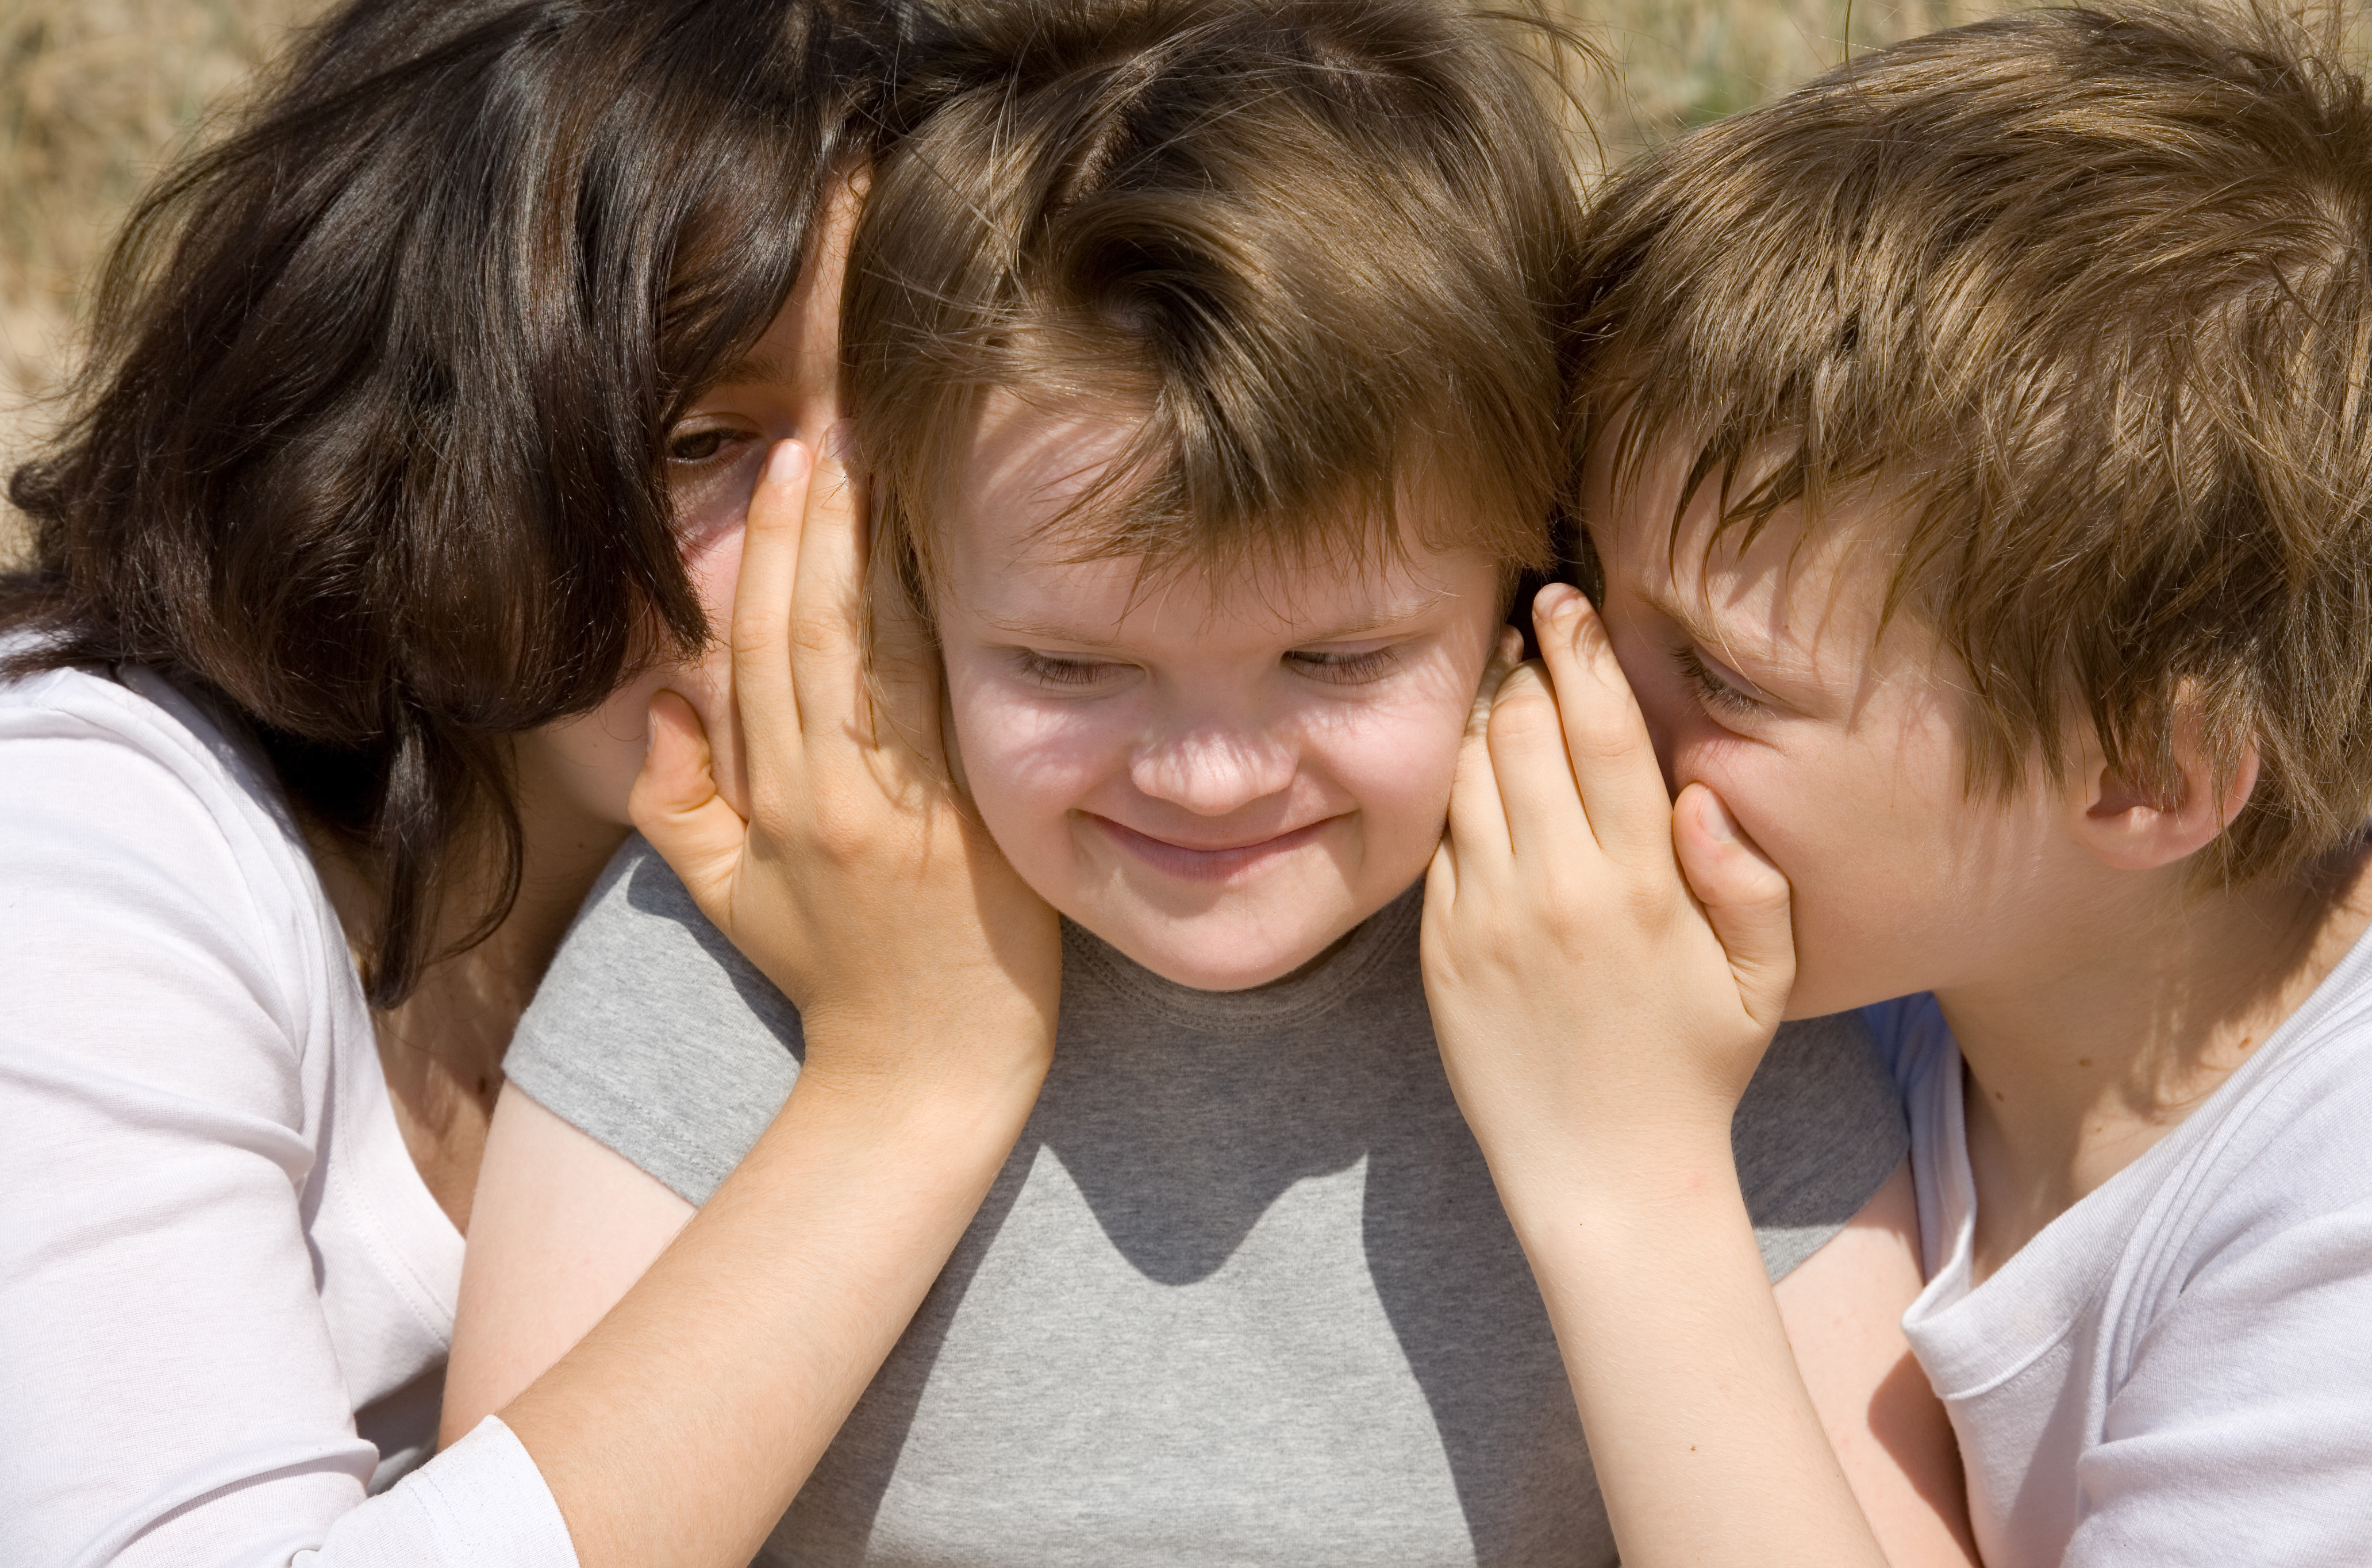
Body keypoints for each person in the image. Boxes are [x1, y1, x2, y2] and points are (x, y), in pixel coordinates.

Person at [447, 3, 1973, 1563]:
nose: (1211, 775)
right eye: (1069, 667)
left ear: (1530, 576)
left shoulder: (1650, 974)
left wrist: (1635, 1181)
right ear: (903, 582)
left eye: (1337, 661)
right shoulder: (740, 948)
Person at [1421, 5, 2372, 1565]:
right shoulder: (1917, 961)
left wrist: (1626, 1173)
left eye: (1724, 678)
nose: (1561, 686)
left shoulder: (2338, 1246)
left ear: (2145, 773)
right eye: (1579, 572)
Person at [0, 0, 908, 1560]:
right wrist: (910, 1087)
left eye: (915, 431)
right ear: (419, 427)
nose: (837, 560)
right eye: (703, 440)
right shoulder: (84, 849)